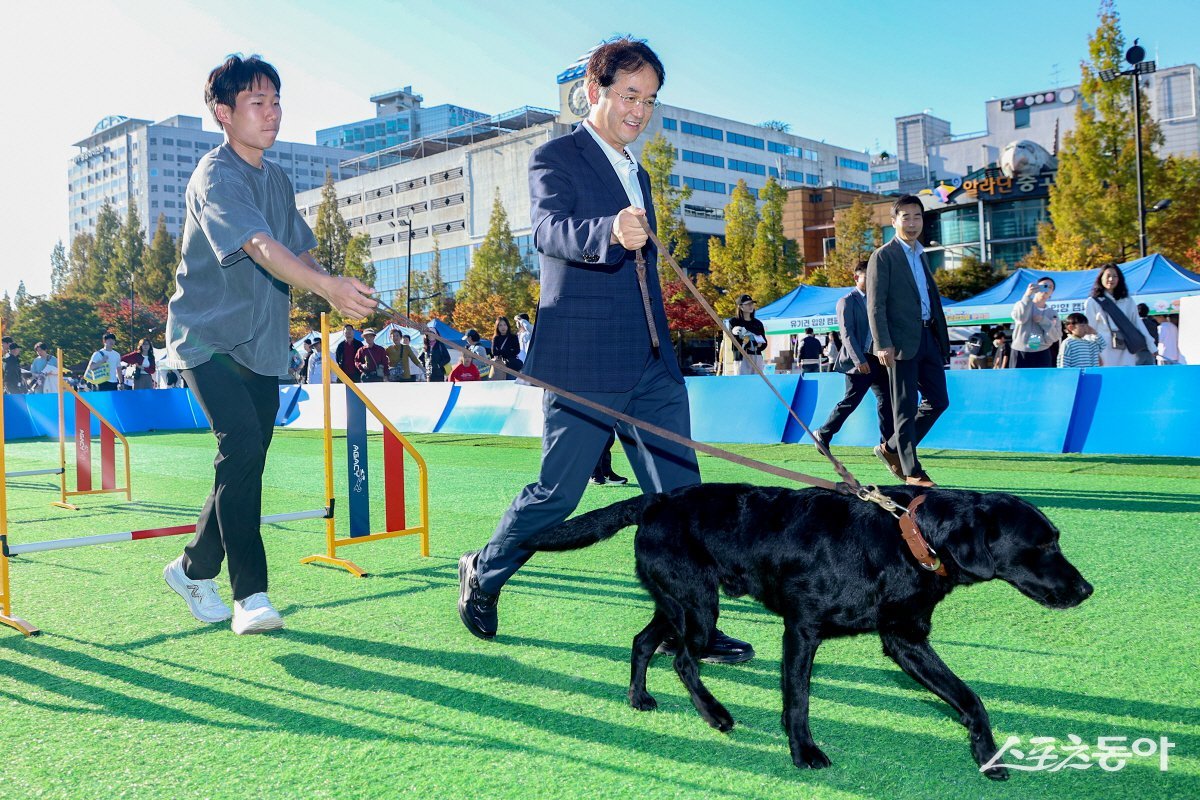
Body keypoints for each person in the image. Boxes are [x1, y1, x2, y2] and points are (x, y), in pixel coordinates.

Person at [458, 36, 753, 665]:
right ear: (595, 91)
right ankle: (483, 571)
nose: (639, 111)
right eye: (629, 96)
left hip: (653, 364)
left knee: (682, 500)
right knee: (557, 497)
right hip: (585, 362)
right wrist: (608, 231)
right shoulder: (555, 155)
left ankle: (696, 625)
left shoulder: (638, 170)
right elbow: (546, 230)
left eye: (649, 100)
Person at [162, 54, 376, 635]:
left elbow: (297, 253)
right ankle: (250, 596)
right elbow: (257, 244)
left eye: (277, 101)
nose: (273, 113)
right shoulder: (215, 174)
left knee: (248, 458)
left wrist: (334, 288)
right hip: (206, 338)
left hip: (260, 344)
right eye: (258, 103)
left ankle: (192, 567)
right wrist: (325, 284)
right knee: (241, 445)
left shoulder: (276, 178)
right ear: (223, 114)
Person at [865, 195, 950, 488]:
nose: (912, 223)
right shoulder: (883, 256)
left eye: (917, 217)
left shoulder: (922, 254)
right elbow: (875, 305)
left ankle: (890, 447)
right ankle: (912, 471)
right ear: (894, 221)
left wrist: (940, 336)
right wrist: (882, 343)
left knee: (939, 401)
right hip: (899, 343)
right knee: (903, 407)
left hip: (928, 337)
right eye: (906, 217)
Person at [813, 262, 894, 449]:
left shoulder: (879, 300)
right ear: (857, 278)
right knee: (851, 401)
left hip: (878, 359)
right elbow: (846, 334)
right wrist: (859, 360)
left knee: (887, 400)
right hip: (858, 360)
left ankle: (887, 445)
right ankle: (823, 433)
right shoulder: (847, 301)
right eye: (868, 276)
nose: (873, 280)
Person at [1084, 263, 1155, 367]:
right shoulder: (1092, 301)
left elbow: (1137, 323)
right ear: (1101, 278)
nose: (1111, 279)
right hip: (1104, 348)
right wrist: (1092, 353)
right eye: (1108, 276)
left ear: (1119, 279)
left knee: (1126, 377)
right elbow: (1089, 329)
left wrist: (1151, 346)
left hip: (1126, 345)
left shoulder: (1127, 300)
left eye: (1115, 276)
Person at [1010, 277, 1061, 368]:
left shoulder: (1052, 313)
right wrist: (1027, 296)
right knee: (1019, 381)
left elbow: (1055, 337)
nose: (1047, 288)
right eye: (1044, 286)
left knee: (1042, 381)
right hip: (1020, 351)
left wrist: (1044, 321)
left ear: (1052, 293)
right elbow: (1020, 319)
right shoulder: (1021, 304)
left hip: (1042, 353)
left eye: (1050, 287)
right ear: (1037, 287)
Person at [726, 294, 766, 375]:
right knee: (742, 383)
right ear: (741, 307)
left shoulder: (758, 323)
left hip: (757, 356)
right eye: (748, 304)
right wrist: (754, 343)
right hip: (741, 356)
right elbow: (736, 341)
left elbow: (764, 342)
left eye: (752, 303)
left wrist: (759, 344)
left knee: (757, 382)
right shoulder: (733, 322)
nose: (751, 306)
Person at [491, 316, 522, 380]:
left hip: (511, 365)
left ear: (508, 326)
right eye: (500, 325)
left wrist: (502, 352)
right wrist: (508, 351)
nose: (503, 327)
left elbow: (517, 350)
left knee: (511, 383)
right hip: (500, 365)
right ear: (497, 327)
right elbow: (494, 352)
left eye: (505, 325)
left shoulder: (513, 337)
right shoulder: (496, 338)